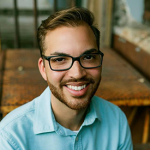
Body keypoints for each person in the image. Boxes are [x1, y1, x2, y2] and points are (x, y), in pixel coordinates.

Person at [0, 7, 133, 150]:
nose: (77, 74)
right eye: (60, 59)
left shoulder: (117, 120)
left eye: (88, 57)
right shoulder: (12, 136)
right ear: (43, 69)